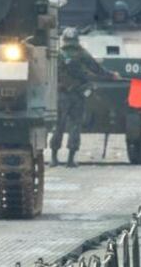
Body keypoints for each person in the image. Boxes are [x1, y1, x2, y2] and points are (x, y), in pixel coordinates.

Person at [50, 27, 120, 167]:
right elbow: (96, 68)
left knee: (58, 125)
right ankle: (70, 159)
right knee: (75, 125)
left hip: (61, 94)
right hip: (77, 94)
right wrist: (111, 75)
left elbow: (51, 73)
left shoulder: (58, 54)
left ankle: (54, 158)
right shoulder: (82, 53)